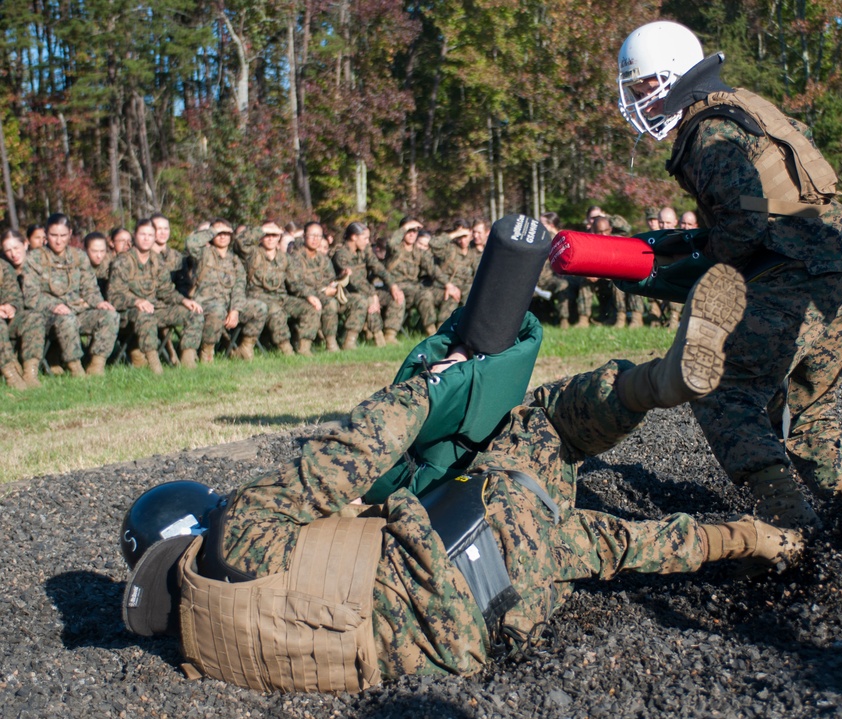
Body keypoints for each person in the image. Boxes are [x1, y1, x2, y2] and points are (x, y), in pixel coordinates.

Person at [120, 273, 803, 692]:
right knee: (545, 423)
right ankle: (663, 381)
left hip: (487, 630)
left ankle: (757, 540)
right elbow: (357, 448)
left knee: (603, 545)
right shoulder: (238, 527)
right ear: (200, 519)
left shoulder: (206, 644)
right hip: (471, 536)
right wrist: (431, 385)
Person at [615, 21, 842, 527]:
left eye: (642, 85)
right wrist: (698, 240)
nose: (640, 100)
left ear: (669, 77)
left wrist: (701, 255)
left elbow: (744, 222)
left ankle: (788, 528)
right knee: (805, 410)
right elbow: (775, 200)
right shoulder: (743, 104)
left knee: (720, 389)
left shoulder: (705, 129)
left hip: (798, 271)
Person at [22, 213, 119, 378]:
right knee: (67, 319)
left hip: (76, 310)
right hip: (47, 315)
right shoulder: (34, 258)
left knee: (110, 315)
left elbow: (90, 288)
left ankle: (96, 365)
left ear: (70, 234)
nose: (58, 240)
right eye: (53, 235)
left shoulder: (79, 257)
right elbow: (31, 295)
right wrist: (53, 306)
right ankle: (75, 367)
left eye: (63, 235)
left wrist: (99, 302)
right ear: (46, 234)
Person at [108, 218, 205, 373]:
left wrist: (184, 301)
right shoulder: (123, 261)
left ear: (154, 238)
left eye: (150, 235)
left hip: (156, 308)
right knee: (144, 314)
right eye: (142, 234)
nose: (146, 238)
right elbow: (114, 296)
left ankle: (188, 360)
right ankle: (154, 364)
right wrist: (136, 301)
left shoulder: (157, 261)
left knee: (194, 313)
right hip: (129, 312)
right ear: (135, 236)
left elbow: (165, 291)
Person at [186, 219, 268, 363]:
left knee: (260, 308)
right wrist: (212, 231)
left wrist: (235, 310)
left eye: (226, 233)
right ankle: (207, 353)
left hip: (228, 305)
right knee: (216, 310)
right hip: (205, 305)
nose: (222, 236)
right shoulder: (203, 254)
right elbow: (191, 243)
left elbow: (239, 288)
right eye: (219, 234)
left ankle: (245, 347)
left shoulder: (235, 260)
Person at [234, 221, 320, 355]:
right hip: (258, 296)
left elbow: (295, 282)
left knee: (310, 309)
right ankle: (286, 350)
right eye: (267, 235)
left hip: (281, 297)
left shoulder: (285, 258)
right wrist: (261, 229)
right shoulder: (252, 254)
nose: (270, 238)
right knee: (276, 312)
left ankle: (304, 348)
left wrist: (309, 295)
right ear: (261, 237)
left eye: (274, 235)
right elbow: (240, 241)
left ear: (279, 237)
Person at [333, 222, 405, 348]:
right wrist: (373, 295)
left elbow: (379, 269)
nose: (368, 242)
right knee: (367, 300)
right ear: (354, 237)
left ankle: (389, 335)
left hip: (366, 290)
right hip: (345, 294)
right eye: (365, 238)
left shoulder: (364, 251)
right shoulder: (341, 254)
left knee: (397, 297)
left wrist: (393, 286)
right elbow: (355, 281)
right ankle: (352, 341)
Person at [384, 219, 458, 337]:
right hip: (396, 287)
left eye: (415, 231)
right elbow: (392, 242)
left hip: (415, 289)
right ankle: (390, 336)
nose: (412, 234)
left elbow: (433, 269)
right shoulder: (395, 249)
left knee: (446, 295)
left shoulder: (419, 252)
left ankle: (439, 332)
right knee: (424, 294)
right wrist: (405, 227)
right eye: (409, 231)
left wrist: (448, 284)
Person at [287, 221, 346, 353]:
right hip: (301, 296)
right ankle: (305, 347)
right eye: (312, 235)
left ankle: (331, 342)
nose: (315, 239)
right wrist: (315, 294)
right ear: (304, 236)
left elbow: (330, 278)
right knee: (328, 304)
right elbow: (294, 283)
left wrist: (335, 283)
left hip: (322, 294)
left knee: (337, 301)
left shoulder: (323, 259)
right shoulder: (295, 257)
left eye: (318, 236)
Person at [0, 230, 44, 388]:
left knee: (33, 317)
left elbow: (14, 294)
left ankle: (30, 372)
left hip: (6, 321)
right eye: (8, 250)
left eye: (15, 249)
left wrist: (11, 306)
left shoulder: (3, 267)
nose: (12, 254)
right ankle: (11, 374)